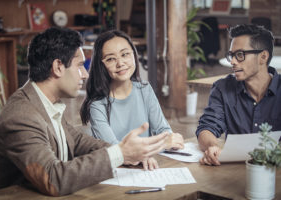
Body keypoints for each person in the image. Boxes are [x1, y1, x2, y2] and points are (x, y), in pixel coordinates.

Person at [0, 27, 169, 196]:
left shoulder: (45, 103)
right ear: (58, 67)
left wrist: (128, 153)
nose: (84, 74)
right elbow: (53, 179)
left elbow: (78, 142)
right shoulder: (22, 116)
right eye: (80, 65)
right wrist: (121, 154)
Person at [80, 30, 184, 169]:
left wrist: (170, 140)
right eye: (111, 59)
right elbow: (115, 150)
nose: (120, 63)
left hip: (148, 168)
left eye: (125, 54)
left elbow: (163, 131)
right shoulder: (97, 105)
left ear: (134, 55)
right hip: (117, 174)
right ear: (101, 65)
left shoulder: (145, 89)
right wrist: (161, 145)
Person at [196, 24, 281, 166]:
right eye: (231, 55)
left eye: (240, 55)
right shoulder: (222, 88)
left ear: (263, 57)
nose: (233, 62)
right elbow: (207, 127)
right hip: (233, 173)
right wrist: (212, 146)